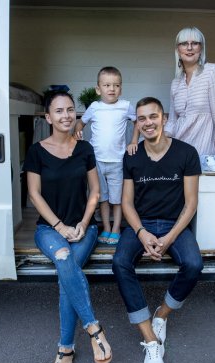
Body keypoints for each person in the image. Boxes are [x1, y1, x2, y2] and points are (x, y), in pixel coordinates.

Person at [24, 91, 112, 363]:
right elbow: (34, 194)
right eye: (59, 111)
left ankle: (65, 350)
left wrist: (84, 223)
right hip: (49, 230)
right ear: (48, 117)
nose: (66, 115)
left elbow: (95, 191)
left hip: (84, 228)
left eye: (70, 110)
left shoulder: (84, 148)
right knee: (64, 259)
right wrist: (60, 226)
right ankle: (94, 329)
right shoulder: (37, 151)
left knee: (66, 273)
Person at [112, 97, 203, 363]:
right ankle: (151, 339)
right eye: (142, 118)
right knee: (120, 262)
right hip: (140, 224)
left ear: (164, 118)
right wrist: (141, 233)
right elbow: (127, 203)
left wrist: (169, 238)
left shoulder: (186, 153)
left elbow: (191, 203)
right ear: (137, 124)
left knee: (194, 264)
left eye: (153, 116)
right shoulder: (132, 156)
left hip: (175, 224)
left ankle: (161, 314)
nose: (148, 122)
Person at [130, 27, 215, 170]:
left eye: (195, 43)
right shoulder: (176, 82)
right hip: (178, 151)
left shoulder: (213, 72)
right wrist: (155, 143)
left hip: (204, 153)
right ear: (178, 49)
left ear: (201, 48)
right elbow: (172, 122)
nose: (189, 48)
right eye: (184, 43)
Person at [74, 66, 138, 245]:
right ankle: (107, 228)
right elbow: (80, 123)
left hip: (117, 161)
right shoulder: (95, 107)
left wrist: (134, 141)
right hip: (97, 162)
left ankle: (116, 229)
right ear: (98, 89)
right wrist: (77, 133)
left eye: (116, 85)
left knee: (117, 199)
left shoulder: (125, 106)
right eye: (107, 85)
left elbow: (138, 122)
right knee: (102, 198)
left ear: (121, 89)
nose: (112, 89)